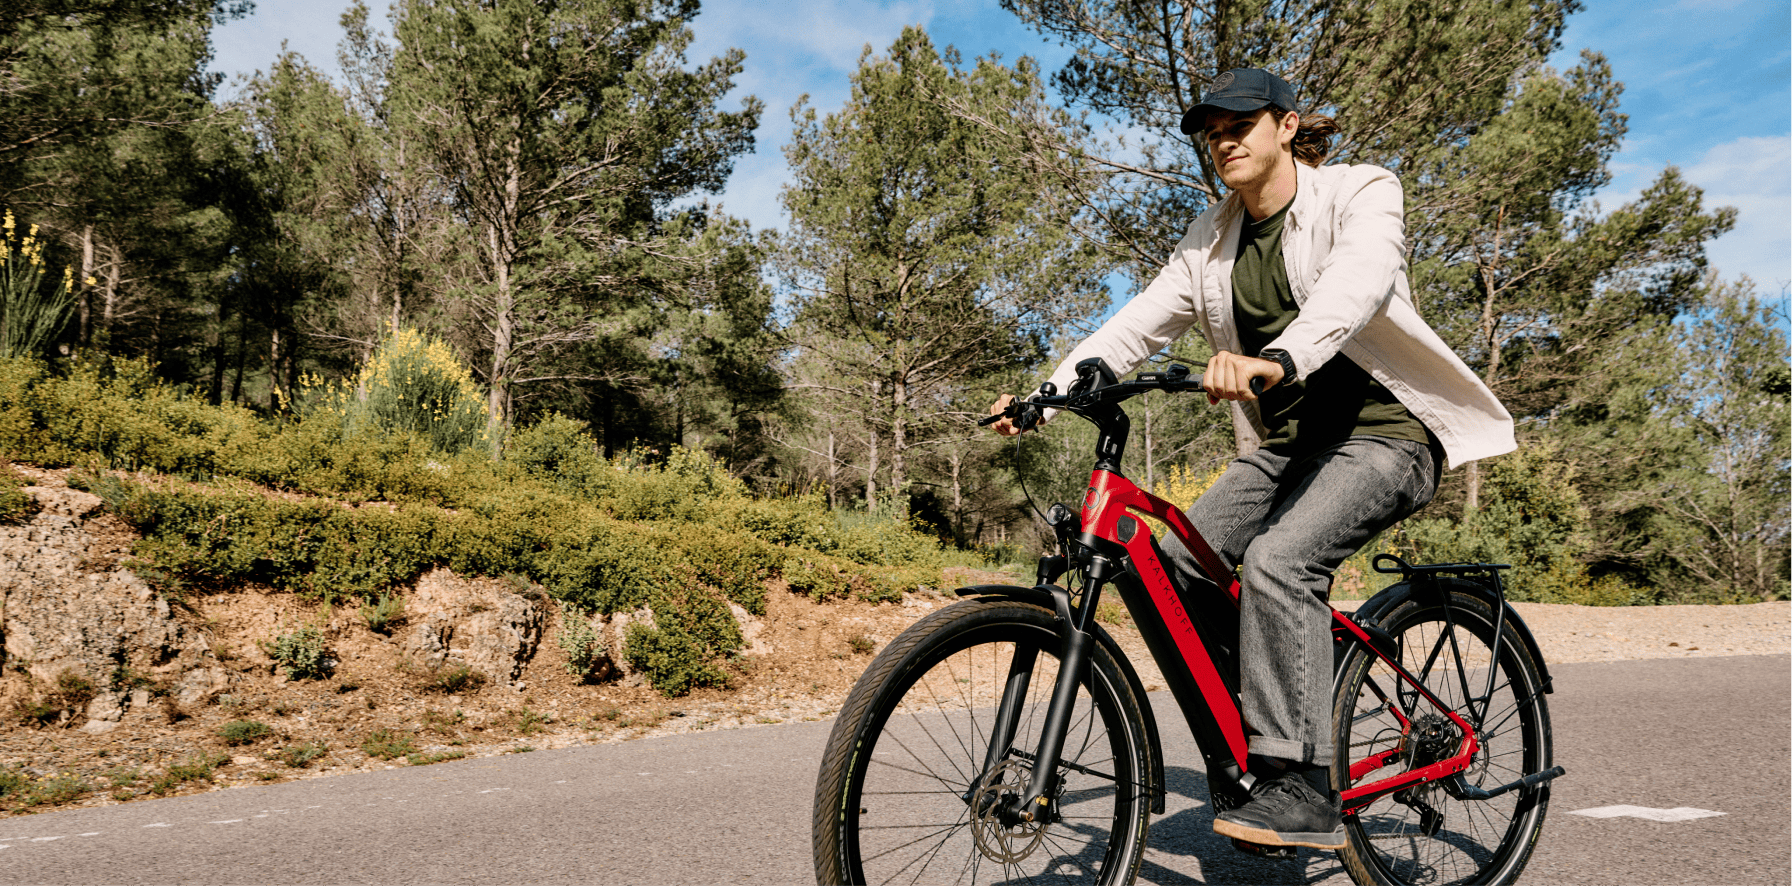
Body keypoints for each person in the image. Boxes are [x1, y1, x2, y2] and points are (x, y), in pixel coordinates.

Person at [987, 68, 1516, 850]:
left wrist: (1278, 358)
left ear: (1288, 125)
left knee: (1277, 561)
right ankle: (1268, 727)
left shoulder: (1359, 191)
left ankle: (1300, 782)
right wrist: (1046, 390)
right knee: (1174, 562)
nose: (1224, 140)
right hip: (1289, 448)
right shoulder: (1212, 236)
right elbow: (1136, 325)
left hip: (1390, 435)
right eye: (1212, 131)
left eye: (1241, 123)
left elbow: (1357, 286)